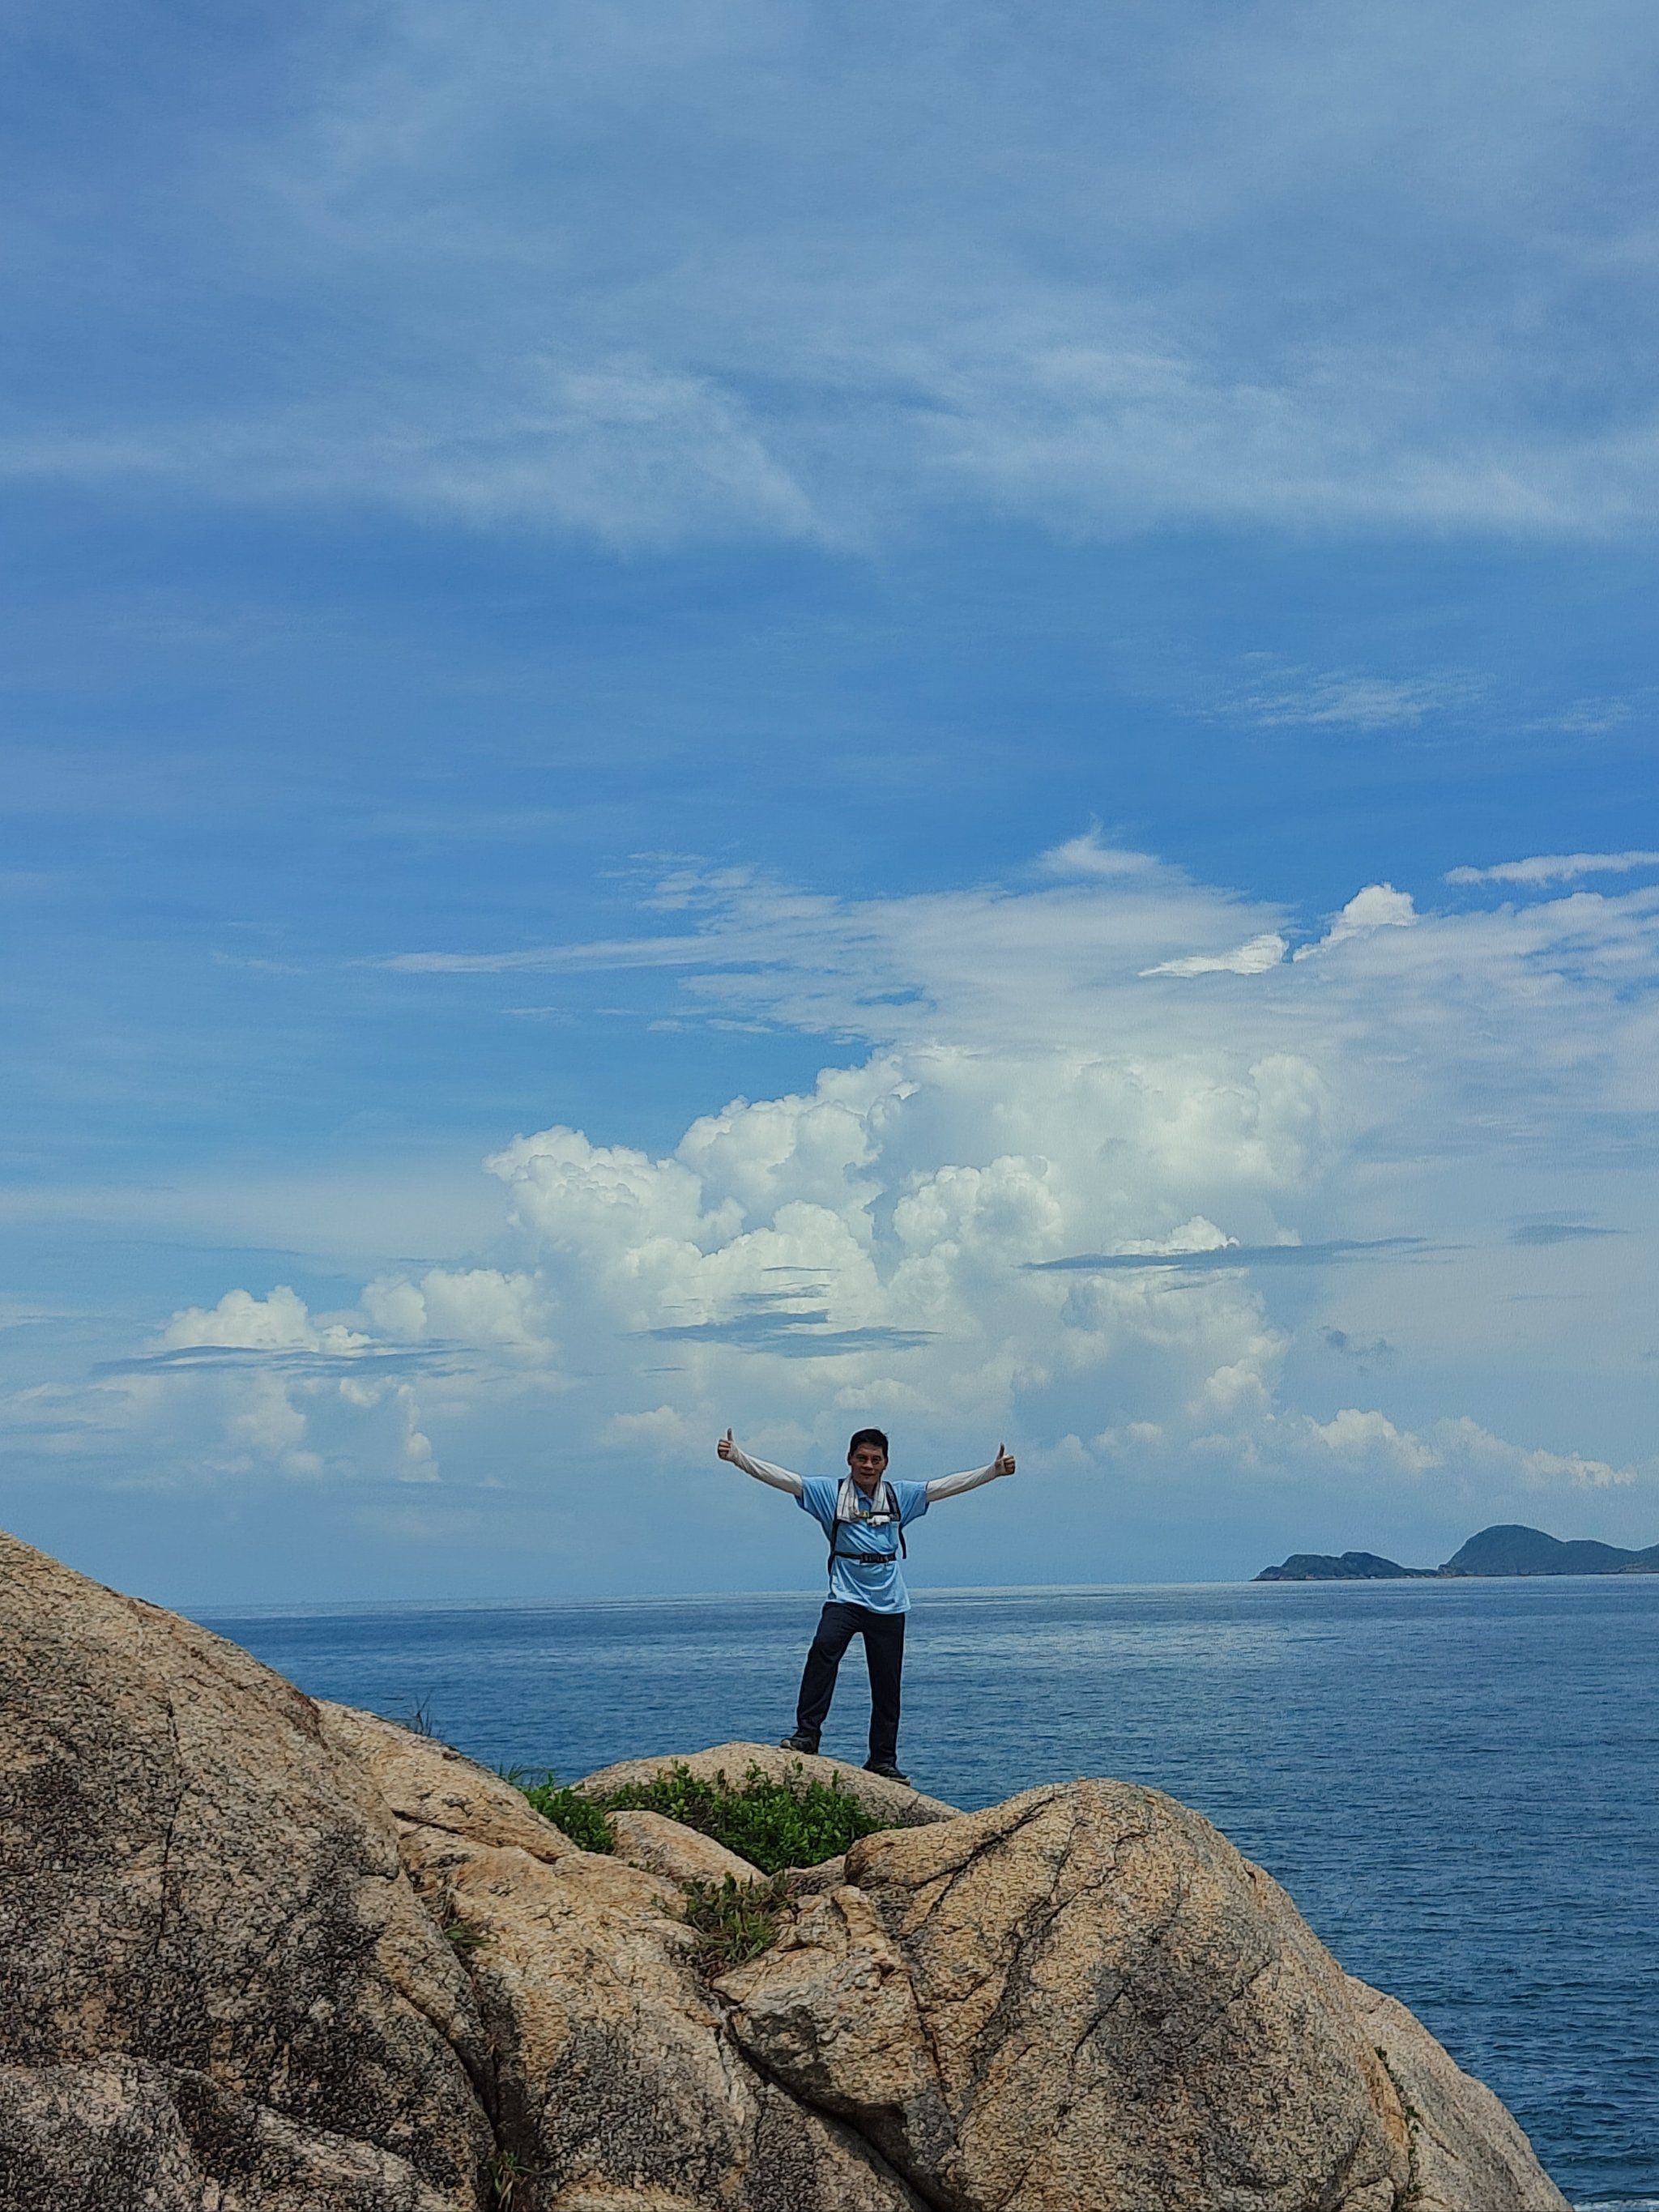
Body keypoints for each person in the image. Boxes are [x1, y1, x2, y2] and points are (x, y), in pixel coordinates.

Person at [716, 1424, 1016, 1783]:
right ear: (850, 1460)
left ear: (886, 1463)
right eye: (862, 1458)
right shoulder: (831, 1493)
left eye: (875, 1459)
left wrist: (992, 1472)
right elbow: (785, 1479)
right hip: (845, 1596)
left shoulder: (898, 1496)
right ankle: (807, 1735)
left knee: (887, 1684)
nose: (868, 1466)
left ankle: (883, 1760)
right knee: (823, 1651)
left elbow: (944, 1487)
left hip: (888, 1603)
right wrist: (737, 1458)